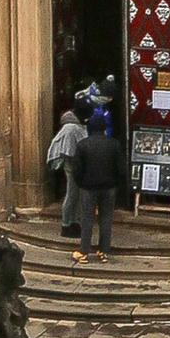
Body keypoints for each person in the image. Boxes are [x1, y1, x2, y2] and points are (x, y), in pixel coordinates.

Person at [69, 105, 128, 261]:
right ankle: (103, 251)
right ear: (104, 127)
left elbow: (77, 169)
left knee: (87, 219)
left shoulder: (83, 145)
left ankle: (84, 251)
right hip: (109, 187)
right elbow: (121, 168)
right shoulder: (114, 144)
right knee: (106, 219)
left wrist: (81, 183)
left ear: (90, 127)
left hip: (88, 188)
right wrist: (116, 183)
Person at [45, 97, 89, 239]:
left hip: (78, 164)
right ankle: (66, 224)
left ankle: (74, 222)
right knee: (71, 195)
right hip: (73, 165)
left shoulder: (79, 125)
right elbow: (68, 150)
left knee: (76, 195)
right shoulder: (70, 128)